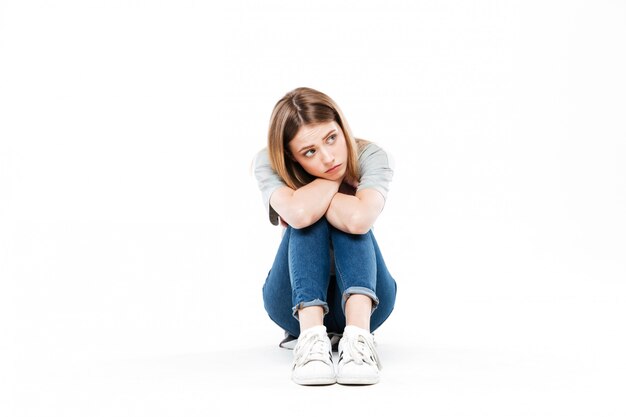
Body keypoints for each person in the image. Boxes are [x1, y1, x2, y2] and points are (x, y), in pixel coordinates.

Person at [253, 87, 397, 385]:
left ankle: (358, 339)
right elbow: (300, 216)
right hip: (290, 304)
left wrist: (311, 194)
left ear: (341, 127)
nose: (329, 158)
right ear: (291, 160)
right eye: (309, 152)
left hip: (370, 303)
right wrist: (336, 185)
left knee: (347, 220)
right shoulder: (269, 162)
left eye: (332, 138)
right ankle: (310, 339)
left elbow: (358, 219)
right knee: (309, 220)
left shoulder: (371, 155)